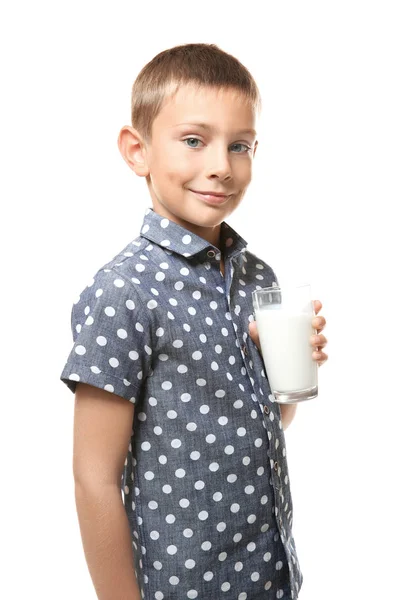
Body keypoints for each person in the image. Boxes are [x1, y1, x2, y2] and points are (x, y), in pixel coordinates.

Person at [60, 43, 328, 600]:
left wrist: (284, 372)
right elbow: (94, 477)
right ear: (138, 152)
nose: (220, 166)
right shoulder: (125, 291)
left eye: (240, 146)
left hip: (269, 576)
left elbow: (263, 427)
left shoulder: (256, 277)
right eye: (193, 140)